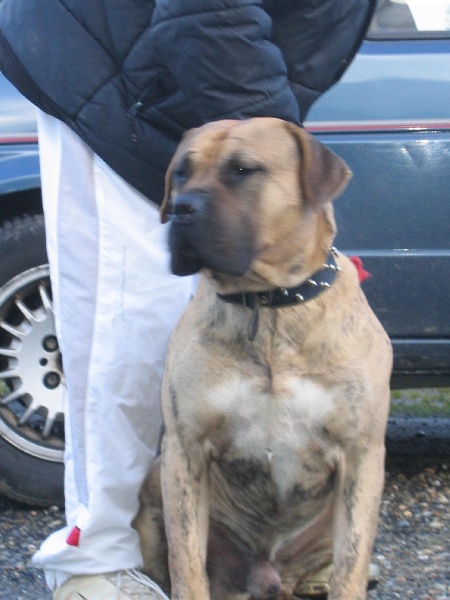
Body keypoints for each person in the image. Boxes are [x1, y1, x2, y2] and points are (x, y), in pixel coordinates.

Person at [0, 1, 376, 598]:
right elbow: (206, 8)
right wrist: (277, 141)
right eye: (180, 187)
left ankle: (301, 558)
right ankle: (96, 560)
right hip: (119, 80)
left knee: (149, 328)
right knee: (126, 325)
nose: (181, 204)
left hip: (172, 81)